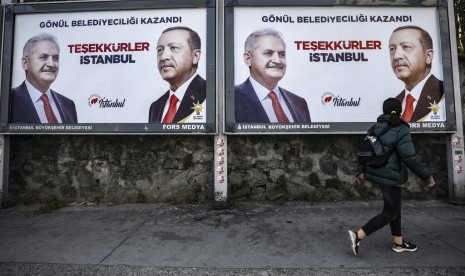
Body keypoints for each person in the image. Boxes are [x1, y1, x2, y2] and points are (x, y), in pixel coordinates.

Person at [348, 98, 435, 256]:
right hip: (391, 176)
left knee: (395, 207)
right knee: (390, 213)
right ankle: (359, 235)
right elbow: (409, 158)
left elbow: (363, 153)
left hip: (377, 173)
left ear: (384, 110)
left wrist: (360, 172)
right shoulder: (401, 129)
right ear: (399, 110)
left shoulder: (374, 127)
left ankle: (398, 242)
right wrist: (426, 177)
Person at [235, 28, 311, 123]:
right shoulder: (230, 99)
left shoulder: (300, 103)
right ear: (248, 59)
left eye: (282, 54)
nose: (278, 60)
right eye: (268, 53)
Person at [10, 33, 78, 124]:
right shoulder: (9, 100)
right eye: (43, 57)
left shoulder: (68, 105)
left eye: (55, 58)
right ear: (25, 63)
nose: (51, 64)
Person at [148, 26, 206, 123]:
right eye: (160, 50)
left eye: (173, 48)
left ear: (195, 56)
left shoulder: (212, 94)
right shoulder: (155, 107)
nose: (163, 57)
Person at [389, 25, 445, 123]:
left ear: (428, 56)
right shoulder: (394, 103)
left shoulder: (444, 92)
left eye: (406, 47)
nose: (396, 56)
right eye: (392, 49)